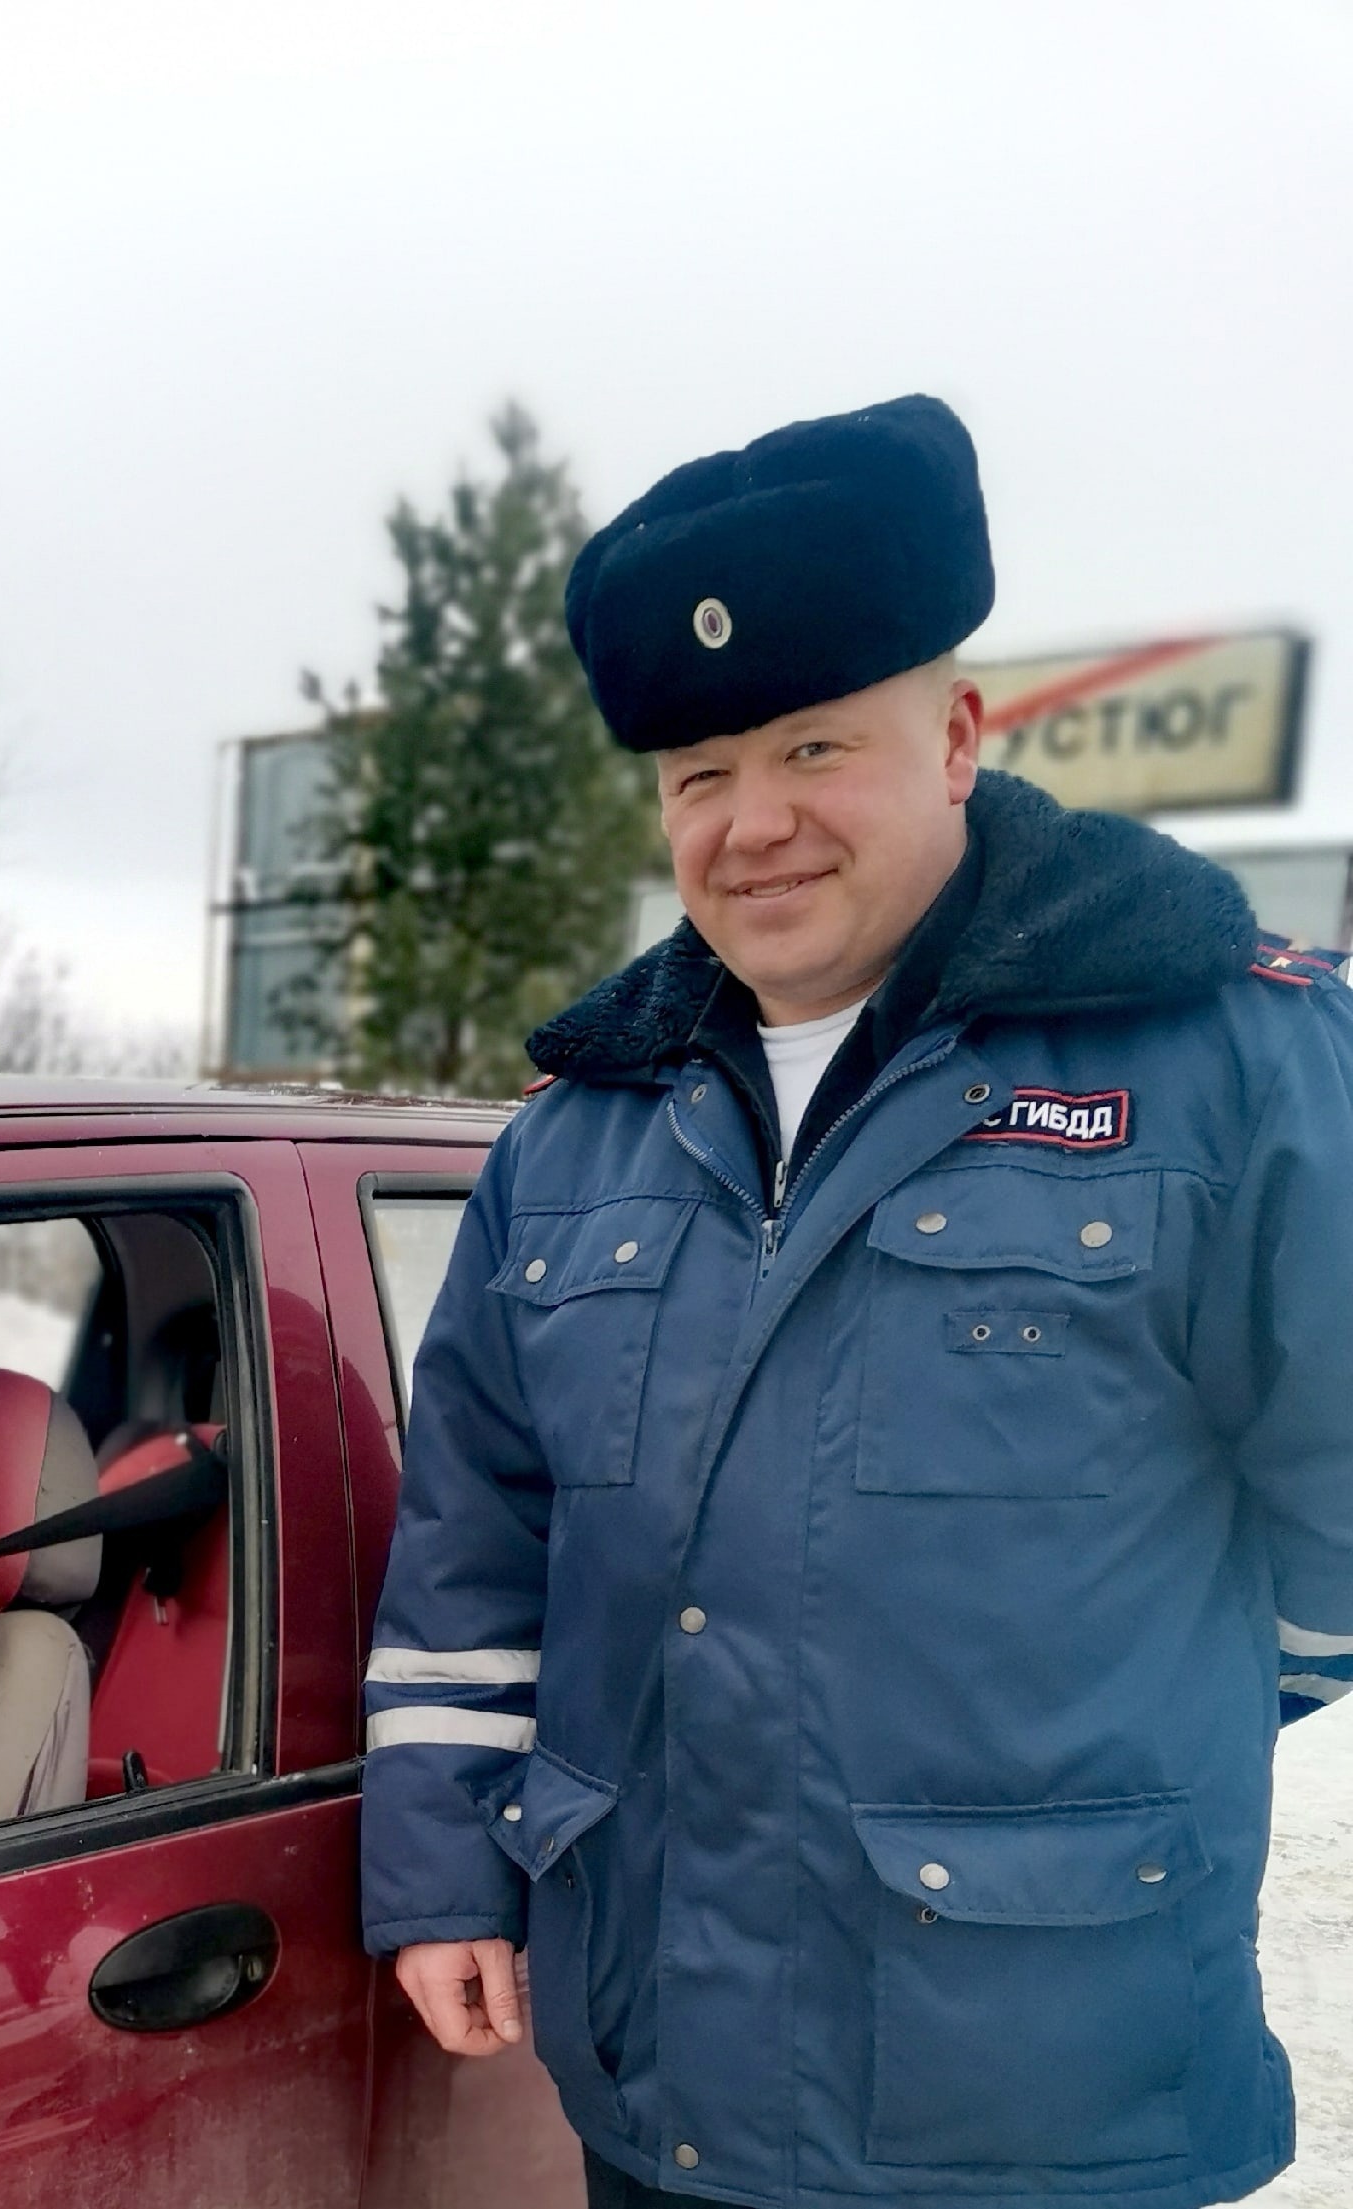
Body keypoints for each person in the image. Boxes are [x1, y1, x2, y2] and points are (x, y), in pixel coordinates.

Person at [359, 394, 1353, 2209]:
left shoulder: (1239, 1068)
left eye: (814, 745)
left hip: (1041, 2097)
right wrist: (441, 1868)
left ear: (961, 730)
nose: (754, 825)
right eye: (698, 775)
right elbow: (475, 1555)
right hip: (653, 2072)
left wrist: (1118, 1726)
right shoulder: (575, 1137)